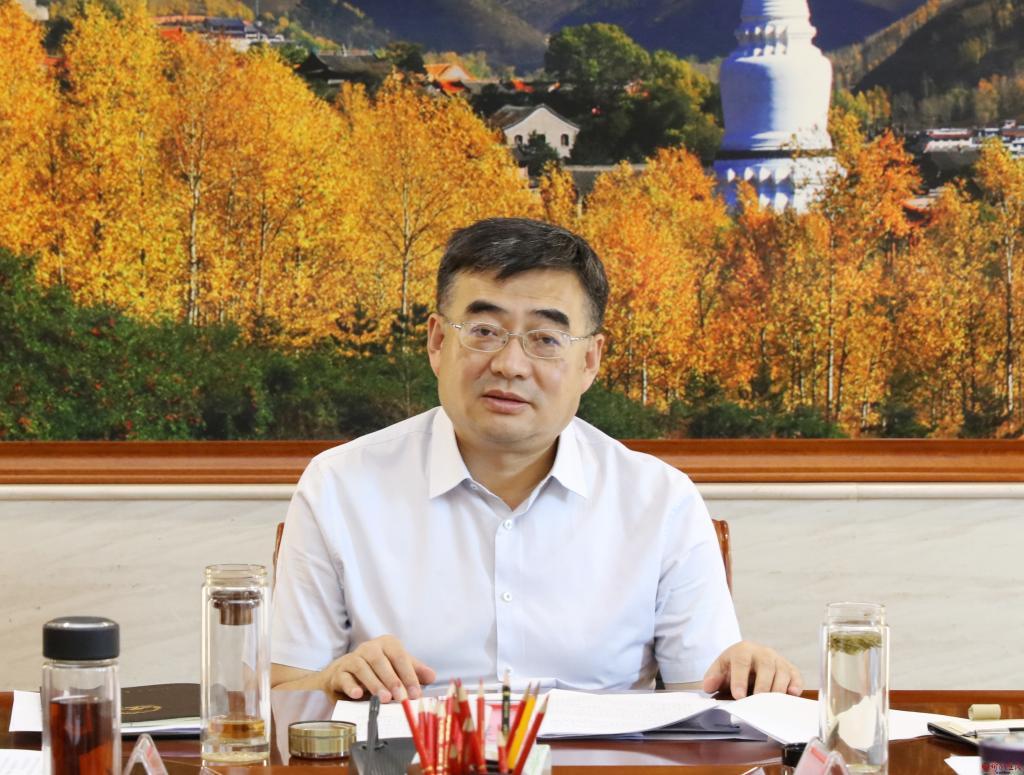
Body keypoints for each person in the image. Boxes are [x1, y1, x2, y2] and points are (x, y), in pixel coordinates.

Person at [271, 217, 802, 702]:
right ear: (436, 341)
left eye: (546, 339)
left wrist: (746, 677)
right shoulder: (340, 485)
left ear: (589, 361)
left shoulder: (659, 501)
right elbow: (282, 692)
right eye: (484, 332)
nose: (510, 365)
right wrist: (334, 679)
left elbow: (703, 704)